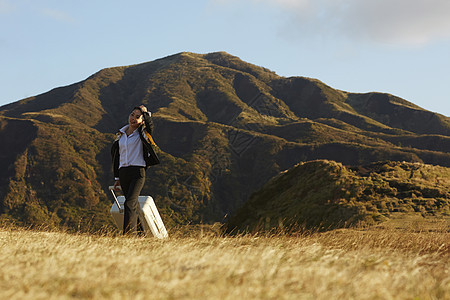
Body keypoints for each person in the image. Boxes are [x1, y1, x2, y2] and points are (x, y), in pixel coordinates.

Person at [111, 105, 160, 234]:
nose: (133, 118)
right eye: (132, 115)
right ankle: (141, 235)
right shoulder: (120, 135)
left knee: (129, 203)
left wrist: (145, 113)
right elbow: (117, 158)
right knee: (134, 205)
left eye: (137, 117)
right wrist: (117, 178)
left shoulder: (142, 134)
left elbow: (150, 126)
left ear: (142, 120)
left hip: (138, 173)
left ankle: (128, 236)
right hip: (123, 173)